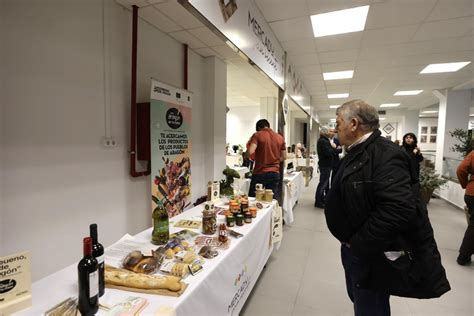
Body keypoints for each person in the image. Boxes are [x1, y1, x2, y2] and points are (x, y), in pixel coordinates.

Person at [325, 100, 450, 315]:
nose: (335, 129)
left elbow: (398, 209)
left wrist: (358, 243)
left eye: (338, 123)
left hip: (369, 252)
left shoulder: (385, 155)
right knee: (362, 299)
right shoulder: (357, 151)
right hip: (357, 250)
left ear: (353, 124)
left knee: (371, 306)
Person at [245, 119, 286, 201]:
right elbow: (284, 156)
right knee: (270, 200)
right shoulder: (280, 138)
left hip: (260, 173)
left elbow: (251, 151)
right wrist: (275, 161)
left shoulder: (257, 135)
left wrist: (246, 155)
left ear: (258, 127)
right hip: (275, 173)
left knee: (254, 199)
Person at [456, 149, 474, 265]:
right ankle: (463, 256)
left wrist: (465, 184)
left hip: (471, 193)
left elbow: (461, 169)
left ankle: (464, 256)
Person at [314, 127, 334, 208]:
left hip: (325, 165)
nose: (330, 133)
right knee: (323, 183)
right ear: (325, 133)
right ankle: (318, 201)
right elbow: (328, 153)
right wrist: (333, 149)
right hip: (325, 165)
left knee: (323, 183)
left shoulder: (323, 140)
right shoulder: (323, 141)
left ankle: (321, 199)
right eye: (328, 132)